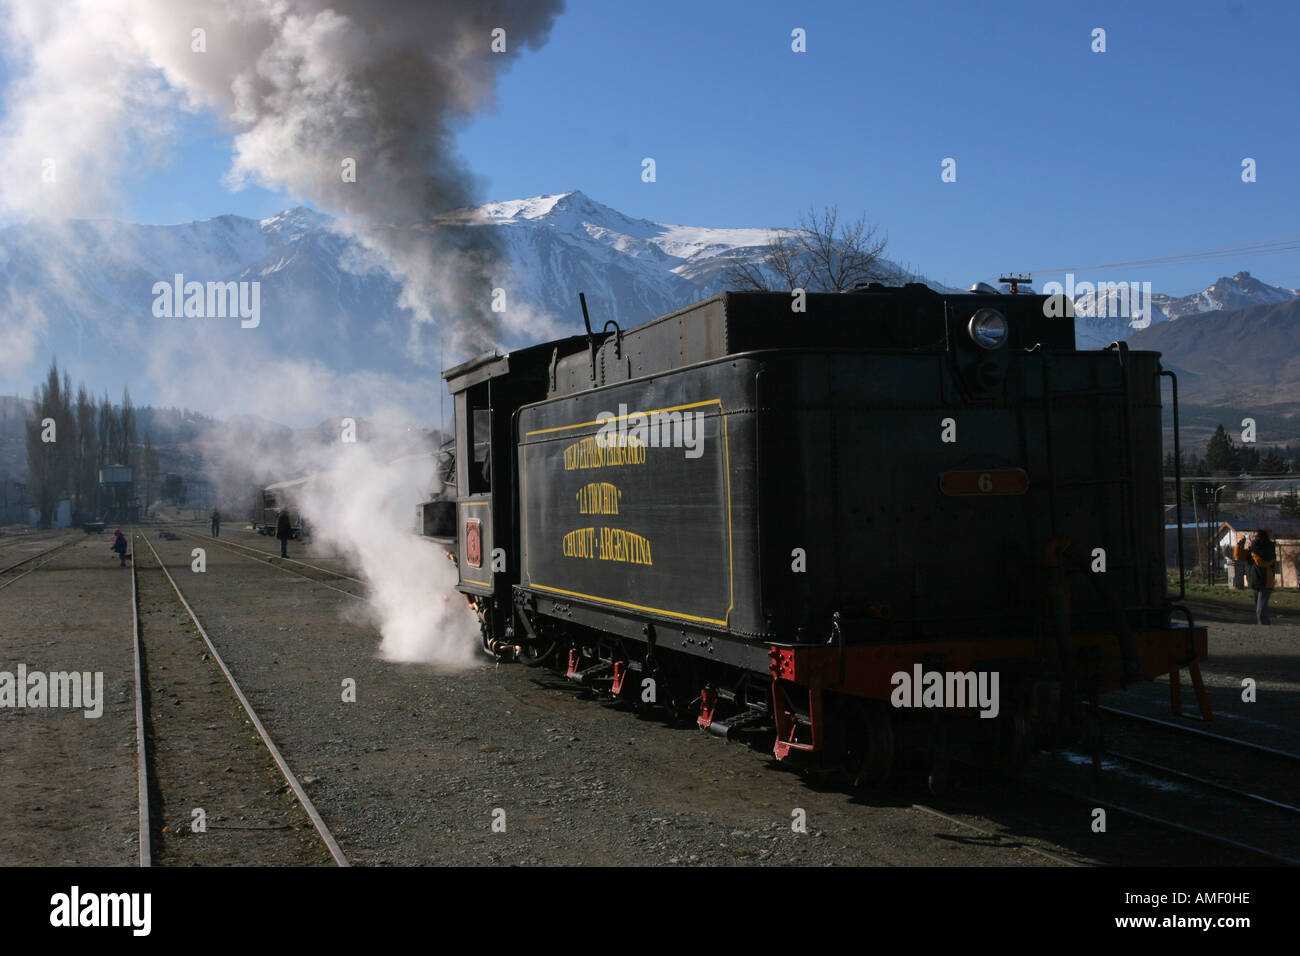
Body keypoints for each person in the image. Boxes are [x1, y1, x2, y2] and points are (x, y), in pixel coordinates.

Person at [1234, 530, 1277, 625]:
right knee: (1260, 610)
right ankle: (1263, 628)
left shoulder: (1268, 549)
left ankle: (1265, 629)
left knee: (1260, 611)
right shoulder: (1253, 551)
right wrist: (1240, 543)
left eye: (1256, 537)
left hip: (1265, 583)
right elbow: (1238, 555)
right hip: (1256, 583)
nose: (1253, 539)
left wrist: (1253, 547)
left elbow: (1260, 561)